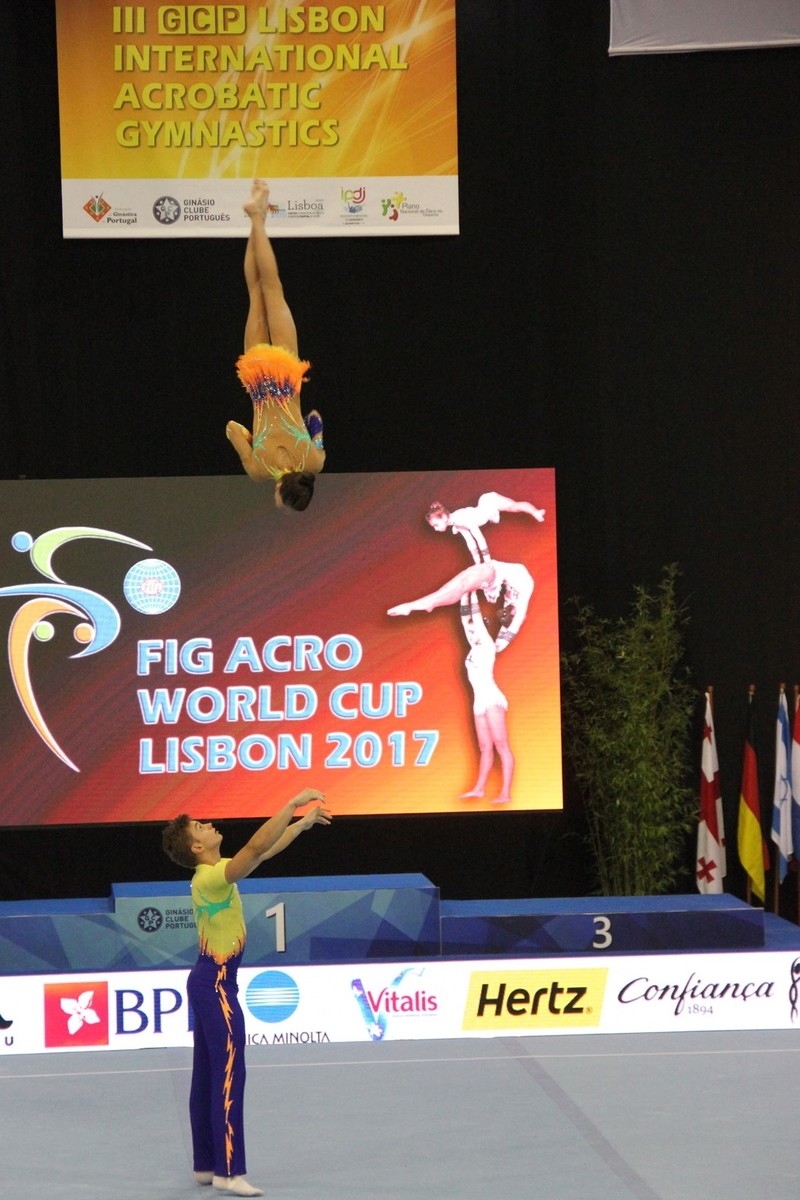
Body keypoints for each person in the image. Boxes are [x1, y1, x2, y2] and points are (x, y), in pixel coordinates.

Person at [161, 788, 331, 1196]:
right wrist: (291, 805)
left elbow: (262, 852)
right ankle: (229, 1171)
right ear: (196, 846)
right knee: (228, 1076)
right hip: (217, 985)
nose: (209, 824)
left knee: (207, 1074)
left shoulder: (218, 870)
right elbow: (254, 847)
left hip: (208, 981)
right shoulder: (209, 878)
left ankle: (206, 1164)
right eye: (200, 826)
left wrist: (300, 826)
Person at [225, 180, 325, 512]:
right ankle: (255, 218)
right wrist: (253, 441)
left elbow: (315, 417)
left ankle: (258, 218)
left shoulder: (314, 461)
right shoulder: (258, 470)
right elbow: (232, 429)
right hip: (257, 379)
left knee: (272, 288)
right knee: (254, 292)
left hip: (286, 373)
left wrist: (308, 432)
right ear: (282, 492)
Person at [387, 558, 534, 652]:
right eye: (507, 615)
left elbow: (509, 625)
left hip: (489, 576)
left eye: (503, 616)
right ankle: (425, 604)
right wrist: (501, 644)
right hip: (492, 572)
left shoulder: (511, 601)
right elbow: (515, 625)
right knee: (458, 587)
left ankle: (422, 604)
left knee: (458, 589)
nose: (503, 613)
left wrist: (495, 646)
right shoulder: (523, 598)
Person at [458, 592, 514, 802]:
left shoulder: (488, 645)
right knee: (484, 748)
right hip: (479, 701)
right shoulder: (473, 648)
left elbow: (474, 617)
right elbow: (466, 619)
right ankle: (479, 789)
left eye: (475, 630)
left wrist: (473, 592)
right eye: (470, 632)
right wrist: (464, 595)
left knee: (501, 745)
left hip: (491, 698)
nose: (472, 634)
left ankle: (505, 793)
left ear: (482, 629)